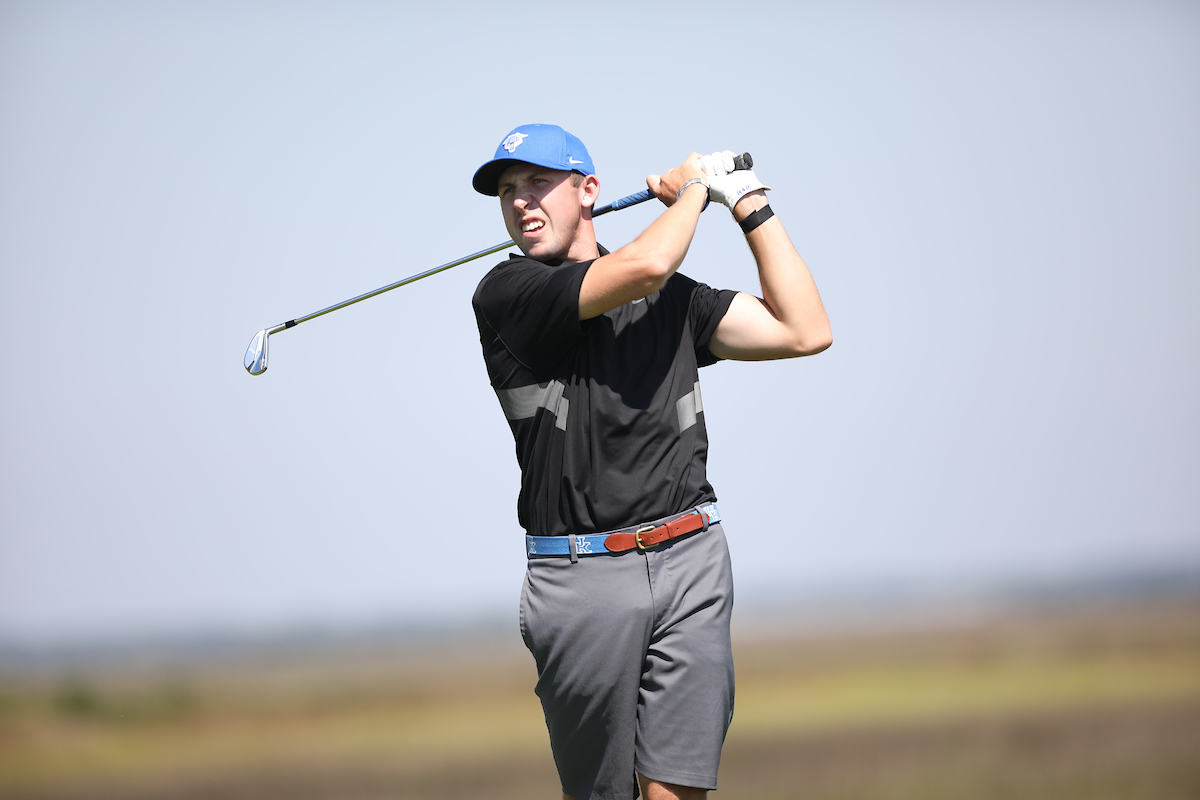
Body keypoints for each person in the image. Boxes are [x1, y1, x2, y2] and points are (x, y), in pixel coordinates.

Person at [470, 124, 831, 800]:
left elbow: (804, 329)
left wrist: (746, 200)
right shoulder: (508, 292)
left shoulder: (673, 299)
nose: (520, 201)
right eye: (508, 190)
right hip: (580, 575)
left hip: (692, 558)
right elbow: (646, 265)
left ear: (588, 191)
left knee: (677, 791)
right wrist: (694, 190)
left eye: (538, 182)